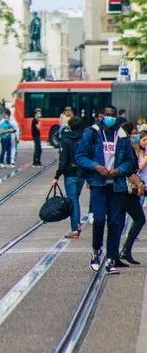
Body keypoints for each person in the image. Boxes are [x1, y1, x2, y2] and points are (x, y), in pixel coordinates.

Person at [76, 106, 136, 275]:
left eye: (112, 115)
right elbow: (80, 156)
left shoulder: (122, 136)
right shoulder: (92, 134)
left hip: (116, 185)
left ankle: (110, 259)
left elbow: (130, 161)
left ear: (116, 117)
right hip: (98, 183)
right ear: (102, 116)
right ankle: (96, 252)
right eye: (107, 115)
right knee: (100, 219)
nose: (110, 118)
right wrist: (95, 166)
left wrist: (119, 171)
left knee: (115, 222)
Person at [116, 123, 145, 266]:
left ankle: (115, 255)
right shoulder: (126, 148)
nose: (136, 136)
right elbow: (129, 170)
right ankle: (125, 250)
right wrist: (139, 184)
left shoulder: (121, 146)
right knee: (139, 219)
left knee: (119, 223)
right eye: (133, 133)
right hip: (127, 191)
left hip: (119, 190)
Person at [52, 116, 84, 239]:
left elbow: (63, 160)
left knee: (72, 200)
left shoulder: (66, 141)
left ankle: (75, 228)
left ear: (70, 127)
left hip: (70, 175)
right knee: (76, 199)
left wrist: (57, 176)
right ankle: (77, 224)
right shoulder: (84, 139)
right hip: (81, 174)